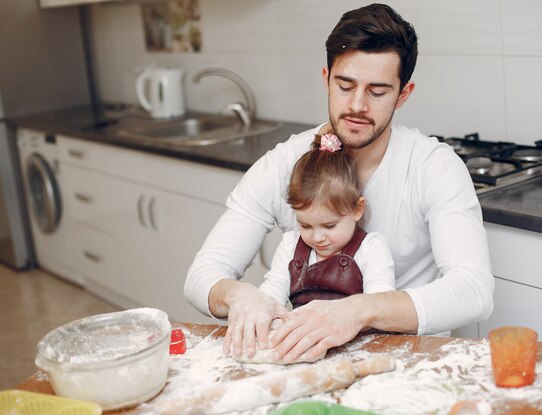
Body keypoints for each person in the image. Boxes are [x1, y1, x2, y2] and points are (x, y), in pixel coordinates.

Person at [185, 3, 493, 363]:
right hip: (306, 359)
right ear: (325, 78)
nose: (357, 105)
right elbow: (202, 274)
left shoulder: (433, 166)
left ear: (403, 94)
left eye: (377, 92)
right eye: (345, 86)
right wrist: (238, 295)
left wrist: (360, 310)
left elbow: (474, 291)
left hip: (409, 363)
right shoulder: (284, 163)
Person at [259, 131, 395, 310]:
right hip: (304, 335)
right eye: (305, 225)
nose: (317, 237)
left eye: (329, 226)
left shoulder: (371, 248)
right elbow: (271, 295)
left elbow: (379, 306)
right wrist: (264, 310)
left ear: (357, 209)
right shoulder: (290, 246)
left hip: (358, 336)